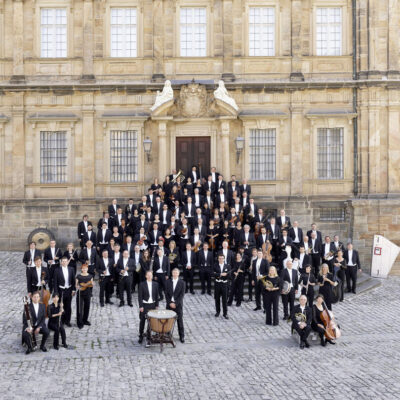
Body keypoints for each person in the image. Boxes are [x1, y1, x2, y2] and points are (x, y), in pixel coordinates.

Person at [53, 256, 76, 327]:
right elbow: (55, 282)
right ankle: (61, 321)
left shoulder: (71, 269)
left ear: (67, 262)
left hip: (69, 290)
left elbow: (73, 280)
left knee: (68, 306)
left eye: (65, 261)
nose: (64, 262)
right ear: (61, 262)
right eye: (63, 261)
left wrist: (73, 289)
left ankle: (67, 321)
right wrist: (56, 293)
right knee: (61, 306)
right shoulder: (57, 270)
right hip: (61, 290)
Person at [138, 270, 159, 344]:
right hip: (145, 305)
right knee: (142, 321)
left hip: (152, 305)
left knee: (151, 322)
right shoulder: (142, 284)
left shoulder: (155, 284)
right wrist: (141, 306)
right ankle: (140, 335)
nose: (150, 276)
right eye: (148, 275)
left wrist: (157, 305)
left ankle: (149, 335)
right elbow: (140, 296)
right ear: (146, 276)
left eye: (151, 275)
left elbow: (157, 296)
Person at [166, 268, 186, 343]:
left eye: (176, 273)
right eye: (173, 273)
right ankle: (168, 334)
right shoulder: (168, 282)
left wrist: (175, 303)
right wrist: (170, 303)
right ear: (172, 273)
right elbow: (166, 293)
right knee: (168, 320)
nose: (175, 274)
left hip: (178, 305)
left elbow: (181, 295)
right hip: (169, 304)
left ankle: (182, 336)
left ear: (178, 274)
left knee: (180, 321)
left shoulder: (182, 283)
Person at [75, 263, 94, 328]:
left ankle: (85, 320)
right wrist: (77, 287)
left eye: (85, 268)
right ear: (81, 269)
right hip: (80, 293)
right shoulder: (78, 276)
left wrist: (91, 284)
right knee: (79, 308)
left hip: (87, 293)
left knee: (87, 307)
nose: (84, 269)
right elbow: (76, 285)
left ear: (87, 269)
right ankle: (79, 322)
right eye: (83, 268)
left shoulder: (90, 276)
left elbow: (92, 285)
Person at [213, 254, 231, 319]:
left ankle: (225, 313)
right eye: (220, 258)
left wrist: (224, 275)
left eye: (222, 258)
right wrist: (220, 274)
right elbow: (212, 274)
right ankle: (218, 312)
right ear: (218, 259)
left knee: (225, 299)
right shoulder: (215, 265)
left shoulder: (228, 266)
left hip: (224, 285)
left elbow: (229, 276)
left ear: (224, 259)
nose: (221, 259)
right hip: (217, 284)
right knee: (217, 299)